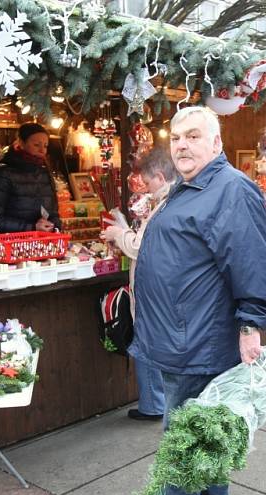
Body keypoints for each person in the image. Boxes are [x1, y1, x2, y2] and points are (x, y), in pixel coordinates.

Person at [119, 106, 266, 495]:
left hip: (196, 334)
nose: (182, 145)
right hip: (182, 329)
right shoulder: (190, 187)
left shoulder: (230, 189)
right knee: (206, 418)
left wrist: (252, 324)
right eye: (175, 138)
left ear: (216, 143)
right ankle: (212, 490)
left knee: (184, 429)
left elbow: (251, 261)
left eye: (193, 136)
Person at [101, 148, 176, 421]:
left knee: (146, 343)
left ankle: (153, 404)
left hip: (153, 290)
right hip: (164, 289)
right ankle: (157, 402)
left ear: (159, 176)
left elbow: (139, 247)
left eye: (147, 182)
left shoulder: (166, 204)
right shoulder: (175, 199)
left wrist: (118, 233)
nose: (145, 188)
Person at [0, 122, 62, 233]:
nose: (42, 150)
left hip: (42, 242)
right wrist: (32, 227)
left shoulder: (44, 173)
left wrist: (55, 226)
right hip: (10, 243)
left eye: (45, 146)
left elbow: (53, 212)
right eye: (36, 145)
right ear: (21, 143)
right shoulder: (3, 173)